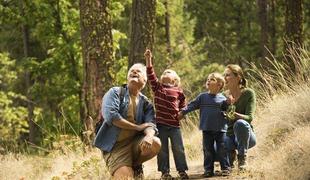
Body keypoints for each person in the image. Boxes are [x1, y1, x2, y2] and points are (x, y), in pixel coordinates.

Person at [94, 63, 161, 179]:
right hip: (115, 147)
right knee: (127, 177)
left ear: (145, 80)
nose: (134, 72)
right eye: (132, 71)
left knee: (155, 143)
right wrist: (137, 127)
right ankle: (125, 167)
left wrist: (149, 135)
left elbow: (151, 124)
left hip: (135, 143)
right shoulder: (115, 92)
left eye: (138, 71)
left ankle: (134, 164)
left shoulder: (146, 103)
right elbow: (111, 116)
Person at [144, 49, 189, 180]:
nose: (165, 73)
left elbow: (183, 105)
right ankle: (165, 173)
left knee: (179, 149)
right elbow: (151, 74)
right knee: (162, 150)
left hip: (175, 126)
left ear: (175, 80)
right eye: (164, 72)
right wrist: (148, 60)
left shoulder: (178, 91)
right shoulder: (158, 87)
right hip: (161, 125)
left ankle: (182, 171)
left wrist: (182, 113)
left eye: (168, 72)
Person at [179, 72, 231, 177]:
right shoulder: (202, 97)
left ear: (219, 84)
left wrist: (228, 103)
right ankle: (208, 170)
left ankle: (225, 168)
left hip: (220, 129)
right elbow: (192, 105)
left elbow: (227, 111)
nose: (208, 81)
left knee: (222, 149)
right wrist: (183, 111)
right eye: (207, 79)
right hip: (206, 128)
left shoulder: (223, 98)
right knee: (207, 150)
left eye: (212, 79)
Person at [223, 64, 256, 170]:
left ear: (238, 78)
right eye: (224, 75)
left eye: (228, 75)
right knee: (214, 147)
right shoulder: (223, 96)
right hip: (229, 136)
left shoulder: (248, 93)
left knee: (240, 123)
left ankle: (242, 159)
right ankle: (230, 155)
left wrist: (233, 111)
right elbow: (224, 119)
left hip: (245, 136)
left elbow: (249, 118)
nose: (225, 78)